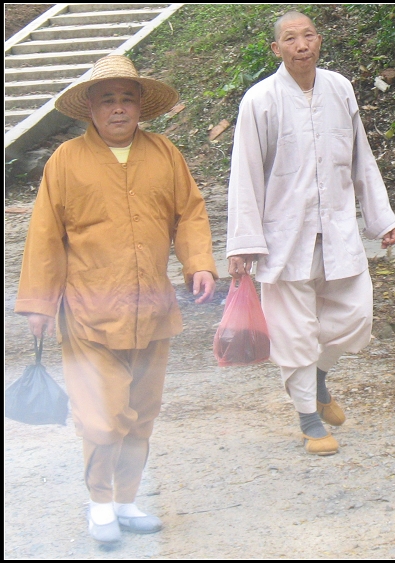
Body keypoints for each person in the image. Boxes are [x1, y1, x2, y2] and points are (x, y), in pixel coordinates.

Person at [13, 55, 218, 544]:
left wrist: (199, 263)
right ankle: (100, 504)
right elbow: (45, 235)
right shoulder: (66, 161)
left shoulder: (165, 153)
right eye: (108, 100)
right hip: (89, 315)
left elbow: (190, 213)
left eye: (127, 98)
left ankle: (126, 500)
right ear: (91, 108)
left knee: (142, 413)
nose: (119, 108)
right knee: (102, 417)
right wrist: (39, 304)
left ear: (141, 106)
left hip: (153, 310)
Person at [226, 11, 395, 456]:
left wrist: (380, 217)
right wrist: (243, 244)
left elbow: (361, 157)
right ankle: (308, 419)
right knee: (294, 330)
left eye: (308, 36)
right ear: (276, 49)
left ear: (319, 41)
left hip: (337, 228)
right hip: (283, 236)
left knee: (356, 315)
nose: (301, 45)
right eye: (290, 38)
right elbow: (245, 173)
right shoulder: (260, 100)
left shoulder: (340, 88)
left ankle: (318, 377)